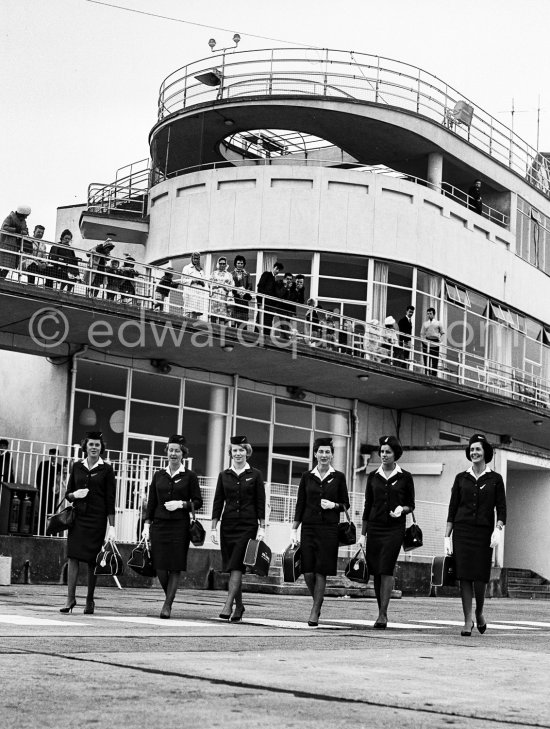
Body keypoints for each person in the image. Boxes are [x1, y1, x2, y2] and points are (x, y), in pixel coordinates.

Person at [444, 433, 506, 636]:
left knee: (480, 578)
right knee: (464, 577)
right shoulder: (461, 478)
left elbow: (501, 508)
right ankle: (467, 620)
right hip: (462, 532)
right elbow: (452, 509)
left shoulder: (495, 479)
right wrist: (447, 537)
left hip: (483, 534)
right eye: (471, 449)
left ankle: (479, 611)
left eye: (478, 449)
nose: (474, 452)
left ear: (485, 452)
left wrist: (498, 528)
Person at [142, 434, 202, 619]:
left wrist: (181, 504)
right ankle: (168, 597)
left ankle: (167, 605)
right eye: (170, 450)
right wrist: (146, 524)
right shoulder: (158, 475)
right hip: (159, 525)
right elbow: (151, 502)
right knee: (159, 565)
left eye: (177, 450)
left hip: (179, 526)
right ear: (166, 452)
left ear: (183, 453)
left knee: (175, 566)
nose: (173, 453)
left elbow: (198, 502)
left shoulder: (190, 476)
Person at [291, 437, 350, 627]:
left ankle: (315, 610)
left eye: (327, 452)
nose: (324, 455)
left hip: (329, 529)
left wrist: (333, 505)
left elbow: (345, 505)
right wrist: (294, 528)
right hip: (308, 527)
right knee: (308, 571)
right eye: (321, 452)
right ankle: (318, 600)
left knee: (321, 570)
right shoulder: (307, 476)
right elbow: (300, 503)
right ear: (315, 454)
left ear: (332, 454)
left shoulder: (338, 477)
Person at [359, 435, 415, 629]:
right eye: (382, 451)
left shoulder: (405, 476)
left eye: (388, 452)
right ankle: (380, 610)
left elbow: (411, 504)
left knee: (387, 567)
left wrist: (402, 509)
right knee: (376, 570)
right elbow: (367, 505)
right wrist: (362, 533)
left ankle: (383, 614)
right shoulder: (373, 476)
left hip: (394, 529)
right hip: (374, 527)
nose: (384, 455)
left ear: (395, 454)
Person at [210, 435, 265, 622]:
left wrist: (262, 526)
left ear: (247, 452)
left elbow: (260, 502)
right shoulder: (224, 475)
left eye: (242, 450)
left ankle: (228, 605)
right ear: (230, 453)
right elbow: (218, 501)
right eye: (235, 450)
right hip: (228, 525)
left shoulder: (255, 474)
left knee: (236, 565)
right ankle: (239, 606)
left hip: (247, 526)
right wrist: (213, 527)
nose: (238, 453)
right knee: (234, 567)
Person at [61, 432, 116, 614]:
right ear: (85, 446)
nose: (94, 447)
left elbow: (110, 499)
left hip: (97, 519)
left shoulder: (107, 470)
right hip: (78, 518)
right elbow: (68, 493)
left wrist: (112, 527)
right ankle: (70, 599)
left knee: (93, 560)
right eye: (91, 444)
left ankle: (90, 600)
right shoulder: (77, 466)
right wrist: (75, 495)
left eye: (97, 445)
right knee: (73, 556)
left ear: (101, 448)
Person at [1, 205, 31, 279]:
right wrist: (16, 230)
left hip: (15, 246)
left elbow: (26, 230)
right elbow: (4, 227)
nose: (25, 217)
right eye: (25, 216)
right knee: (2, 262)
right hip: (6, 243)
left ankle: (2, 278)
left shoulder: (23, 221)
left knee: (10, 265)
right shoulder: (10, 217)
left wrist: (23, 231)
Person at [36, 448, 61, 534]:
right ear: (49, 454)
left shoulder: (59, 466)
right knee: (43, 510)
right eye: (52, 454)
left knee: (53, 511)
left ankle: (50, 531)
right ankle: (41, 530)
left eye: (55, 454)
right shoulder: (43, 464)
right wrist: (39, 489)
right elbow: (38, 477)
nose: (54, 456)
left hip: (54, 493)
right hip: (44, 491)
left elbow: (59, 479)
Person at [257, 261, 284, 339]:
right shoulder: (267, 274)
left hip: (270, 305)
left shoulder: (274, 280)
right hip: (264, 302)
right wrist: (260, 300)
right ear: (274, 267)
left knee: (268, 322)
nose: (277, 271)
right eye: (277, 269)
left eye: (279, 270)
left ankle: (266, 338)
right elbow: (260, 286)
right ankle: (258, 337)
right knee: (260, 320)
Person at [182, 251, 208, 319]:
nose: (196, 260)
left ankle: (192, 328)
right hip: (189, 293)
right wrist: (193, 281)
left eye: (197, 259)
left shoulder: (201, 270)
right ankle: (185, 327)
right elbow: (183, 281)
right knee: (187, 313)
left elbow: (204, 281)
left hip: (198, 294)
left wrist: (201, 282)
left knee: (195, 313)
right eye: (195, 258)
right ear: (192, 258)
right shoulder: (187, 268)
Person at [420, 307, 445, 375]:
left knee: (434, 360)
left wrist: (440, 342)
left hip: (435, 342)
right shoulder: (425, 323)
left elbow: (443, 333)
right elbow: (422, 333)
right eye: (428, 314)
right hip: (426, 342)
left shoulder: (438, 323)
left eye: (430, 313)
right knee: (426, 359)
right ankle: (426, 373)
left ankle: (434, 375)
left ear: (434, 314)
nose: (429, 315)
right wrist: (423, 341)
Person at [210, 256, 234, 324]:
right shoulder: (213, 273)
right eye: (221, 263)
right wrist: (218, 285)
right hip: (215, 297)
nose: (222, 265)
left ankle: (221, 333)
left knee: (222, 317)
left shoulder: (229, 275)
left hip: (224, 297)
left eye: (224, 264)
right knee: (213, 316)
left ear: (226, 264)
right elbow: (209, 284)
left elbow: (231, 286)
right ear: (218, 264)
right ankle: (213, 331)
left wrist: (225, 286)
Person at [230, 254, 253, 325]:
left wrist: (244, 292)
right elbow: (230, 285)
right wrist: (237, 291)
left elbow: (250, 285)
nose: (240, 265)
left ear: (244, 264)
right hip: (235, 297)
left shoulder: (247, 274)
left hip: (244, 299)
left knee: (244, 319)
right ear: (235, 264)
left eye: (241, 263)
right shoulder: (231, 274)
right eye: (238, 263)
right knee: (235, 318)